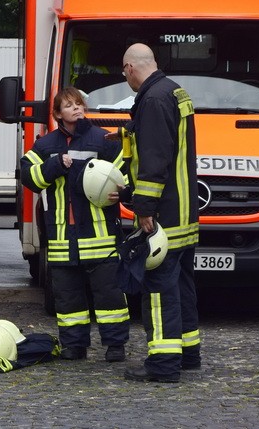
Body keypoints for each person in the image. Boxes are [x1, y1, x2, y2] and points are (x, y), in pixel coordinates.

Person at [19, 87, 129, 362]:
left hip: (100, 237)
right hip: (62, 239)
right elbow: (28, 176)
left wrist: (125, 191)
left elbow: (125, 170)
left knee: (110, 297)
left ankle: (115, 346)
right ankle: (74, 346)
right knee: (68, 299)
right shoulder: (46, 145)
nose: (76, 108)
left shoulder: (102, 139)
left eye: (79, 104)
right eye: (69, 105)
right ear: (57, 114)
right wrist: (55, 165)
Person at [117, 43, 200, 383]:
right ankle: (188, 354)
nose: (126, 78)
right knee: (182, 285)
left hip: (164, 215)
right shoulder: (175, 91)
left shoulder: (152, 100)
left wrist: (144, 208)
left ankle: (164, 364)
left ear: (130, 68)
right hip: (185, 213)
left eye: (124, 73)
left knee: (159, 287)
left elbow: (153, 158)